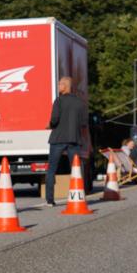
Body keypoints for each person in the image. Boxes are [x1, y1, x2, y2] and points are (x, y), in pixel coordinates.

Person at [42, 76, 88, 206]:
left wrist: (49, 125)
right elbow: (84, 123)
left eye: (59, 85)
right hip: (74, 139)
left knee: (52, 169)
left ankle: (50, 200)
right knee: (76, 169)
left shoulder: (59, 101)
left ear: (65, 86)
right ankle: (78, 195)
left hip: (58, 139)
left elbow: (55, 119)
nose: (58, 87)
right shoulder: (80, 102)